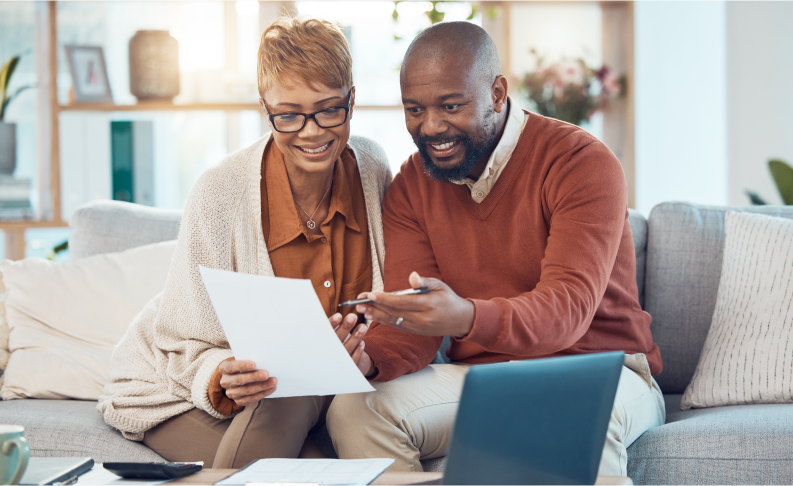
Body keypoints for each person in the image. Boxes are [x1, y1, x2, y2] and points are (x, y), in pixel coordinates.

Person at [326, 22, 665, 476]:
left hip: (601, 370)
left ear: (498, 93)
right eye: (414, 109)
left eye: (451, 106)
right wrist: (368, 360)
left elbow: (566, 310)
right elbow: (413, 324)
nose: (430, 127)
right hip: (485, 377)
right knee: (354, 408)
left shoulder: (581, 163)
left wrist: (464, 316)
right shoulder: (411, 186)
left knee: (570, 413)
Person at [98, 16, 390, 468]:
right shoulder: (219, 192)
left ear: (352, 98)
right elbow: (181, 338)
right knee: (289, 402)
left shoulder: (371, 168)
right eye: (288, 115)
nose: (311, 132)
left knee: (301, 400)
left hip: (313, 395)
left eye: (329, 109)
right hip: (181, 394)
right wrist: (221, 374)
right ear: (264, 107)